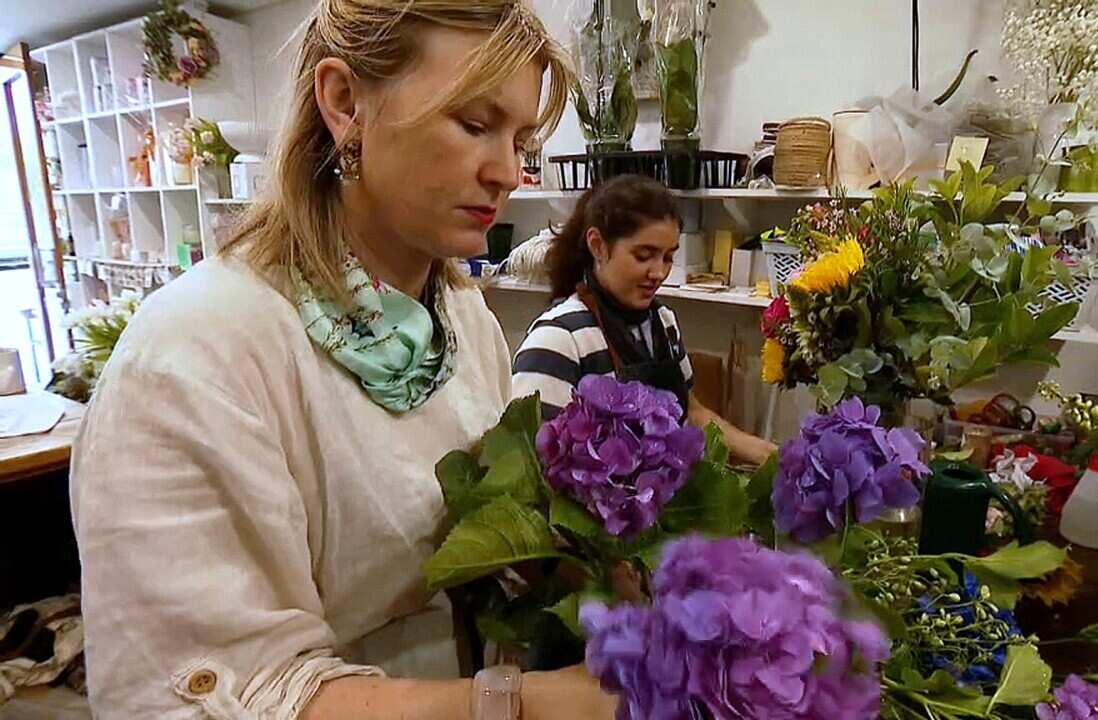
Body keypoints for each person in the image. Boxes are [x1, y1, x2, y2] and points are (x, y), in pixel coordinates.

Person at [69, 2, 614, 719]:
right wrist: (524, 704)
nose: (507, 171)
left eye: (521, 140)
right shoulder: (194, 356)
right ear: (345, 102)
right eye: (474, 124)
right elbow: (210, 691)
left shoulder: (463, 319)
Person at [512, 175, 777, 466]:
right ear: (598, 246)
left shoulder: (663, 322)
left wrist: (769, 455)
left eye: (668, 257)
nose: (658, 273)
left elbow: (691, 412)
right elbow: (533, 464)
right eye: (643, 256)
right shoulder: (558, 338)